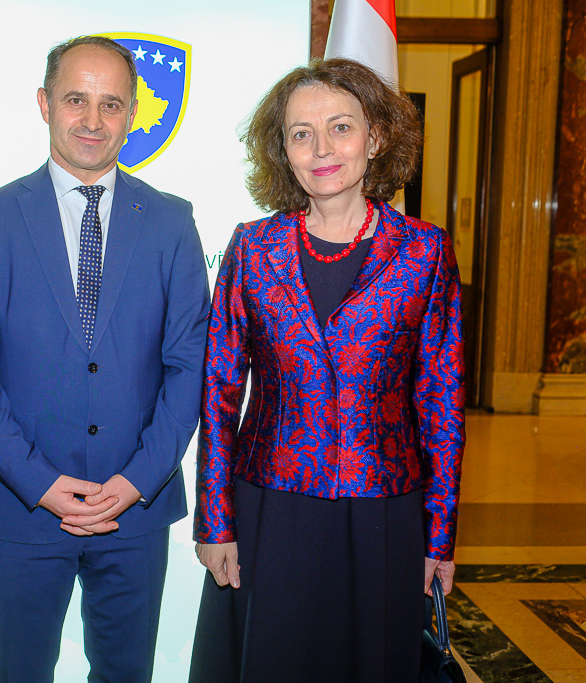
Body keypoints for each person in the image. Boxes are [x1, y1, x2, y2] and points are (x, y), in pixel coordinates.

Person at [0, 35, 210, 683]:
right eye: (75, 100)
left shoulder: (173, 222)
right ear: (44, 103)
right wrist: (40, 483)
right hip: (20, 508)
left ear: (132, 114)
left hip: (135, 511)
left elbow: (190, 368)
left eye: (111, 104)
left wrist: (136, 480)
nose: (93, 120)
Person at [190, 58, 465, 682]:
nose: (321, 149)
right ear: (282, 151)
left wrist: (439, 536)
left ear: (376, 138)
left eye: (341, 127)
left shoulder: (425, 253)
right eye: (301, 134)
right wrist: (216, 520)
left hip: (381, 514)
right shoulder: (251, 247)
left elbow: (442, 405)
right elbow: (219, 392)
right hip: (270, 509)